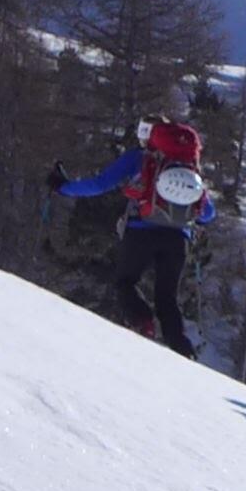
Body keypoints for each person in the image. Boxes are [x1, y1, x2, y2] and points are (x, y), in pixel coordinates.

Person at [49, 119, 215, 355]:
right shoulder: (189, 167)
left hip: (141, 230)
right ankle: (182, 351)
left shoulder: (141, 158)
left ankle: (143, 324)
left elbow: (100, 184)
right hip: (178, 238)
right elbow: (208, 213)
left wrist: (62, 187)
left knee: (125, 282)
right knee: (167, 298)